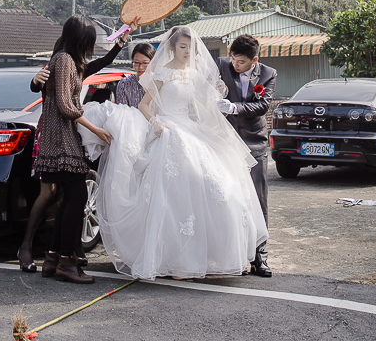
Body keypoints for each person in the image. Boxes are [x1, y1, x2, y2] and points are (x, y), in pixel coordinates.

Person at [80, 25, 267, 281]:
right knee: (166, 195)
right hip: (167, 129)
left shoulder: (194, 74)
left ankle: (199, 256)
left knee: (213, 185)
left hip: (190, 130)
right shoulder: (162, 73)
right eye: (182, 47)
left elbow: (207, 102)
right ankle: (169, 257)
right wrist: (155, 122)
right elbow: (144, 105)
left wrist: (218, 96)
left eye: (190, 47)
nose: (187, 52)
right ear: (172, 48)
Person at [17, 15, 139, 276]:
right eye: (89, 41)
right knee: (67, 195)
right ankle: (61, 258)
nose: (90, 46)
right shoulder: (63, 61)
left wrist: (123, 38)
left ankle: (55, 257)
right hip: (57, 135)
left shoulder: (71, 62)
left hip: (63, 132)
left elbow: (101, 64)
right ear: (80, 39)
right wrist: (95, 128)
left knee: (66, 196)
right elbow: (64, 105)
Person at [216, 35, 277, 277]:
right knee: (230, 197)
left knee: (257, 198)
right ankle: (236, 255)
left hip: (254, 141)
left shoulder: (268, 74)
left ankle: (260, 256)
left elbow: (263, 105)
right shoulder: (221, 65)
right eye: (233, 58)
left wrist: (234, 107)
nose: (235, 64)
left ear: (255, 60)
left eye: (241, 61)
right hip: (225, 140)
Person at [115, 41, 156, 107]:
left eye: (145, 63)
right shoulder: (125, 84)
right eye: (136, 62)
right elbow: (123, 111)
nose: (140, 67)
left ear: (153, 62)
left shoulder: (159, 81)